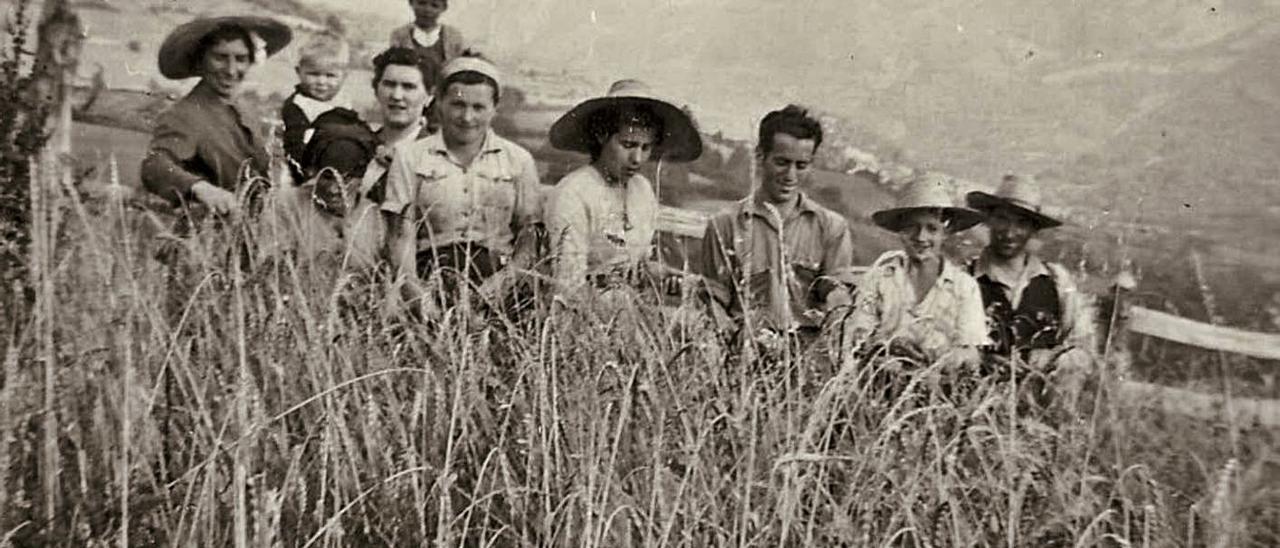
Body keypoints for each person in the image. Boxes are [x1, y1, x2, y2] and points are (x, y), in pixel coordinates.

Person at [380, 54, 541, 313]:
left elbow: (530, 237)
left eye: (478, 107)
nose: (467, 117)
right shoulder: (409, 157)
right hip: (428, 277)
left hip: (499, 281)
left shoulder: (518, 160)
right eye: (457, 104)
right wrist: (418, 298)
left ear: (494, 108)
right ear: (439, 103)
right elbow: (400, 237)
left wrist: (503, 283)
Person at [700, 105, 857, 339]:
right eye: (782, 162)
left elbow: (837, 291)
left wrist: (838, 308)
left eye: (801, 165)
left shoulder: (832, 227)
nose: (790, 176)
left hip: (807, 356)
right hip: (743, 351)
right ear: (760, 156)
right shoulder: (724, 225)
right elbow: (713, 298)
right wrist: (730, 339)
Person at [544, 79, 703, 297]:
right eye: (627, 145)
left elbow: (638, 267)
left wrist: (668, 278)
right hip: (583, 317)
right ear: (602, 137)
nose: (637, 158)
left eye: (645, 147)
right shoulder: (573, 193)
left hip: (628, 314)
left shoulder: (642, 189)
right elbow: (567, 285)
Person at [141, 16, 292, 221]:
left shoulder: (244, 109)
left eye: (240, 59)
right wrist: (200, 188)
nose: (231, 70)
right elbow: (155, 165)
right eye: (220, 57)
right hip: (210, 236)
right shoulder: (185, 114)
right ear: (201, 60)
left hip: (257, 231)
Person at [966, 175, 1097, 405]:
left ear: (1034, 230)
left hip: (1037, 422)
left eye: (1021, 223)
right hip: (972, 416)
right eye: (1002, 220)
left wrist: (1052, 359)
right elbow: (943, 348)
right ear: (988, 220)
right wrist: (979, 360)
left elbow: (1084, 349)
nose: (1009, 232)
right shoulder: (964, 279)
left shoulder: (1057, 281)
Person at [845, 173, 989, 368]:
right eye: (912, 227)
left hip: (940, 386)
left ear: (945, 233)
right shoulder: (879, 279)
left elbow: (971, 352)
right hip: (879, 383)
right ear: (901, 230)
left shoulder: (964, 287)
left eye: (932, 229)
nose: (921, 237)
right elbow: (857, 337)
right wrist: (886, 346)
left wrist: (942, 358)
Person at [281, 31, 370, 183]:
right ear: (299, 72)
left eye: (330, 76)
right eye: (314, 74)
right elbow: (294, 148)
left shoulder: (343, 103)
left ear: (344, 76)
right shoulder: (298, 107)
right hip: (309, 174)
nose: (322, 82)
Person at [389, 0, 468, 69]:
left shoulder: (453, 36)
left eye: (434, 5)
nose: (427, 10)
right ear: (411, 3)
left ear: (444, 8)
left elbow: (460, 66)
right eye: (421, 3)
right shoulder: (400, 35)